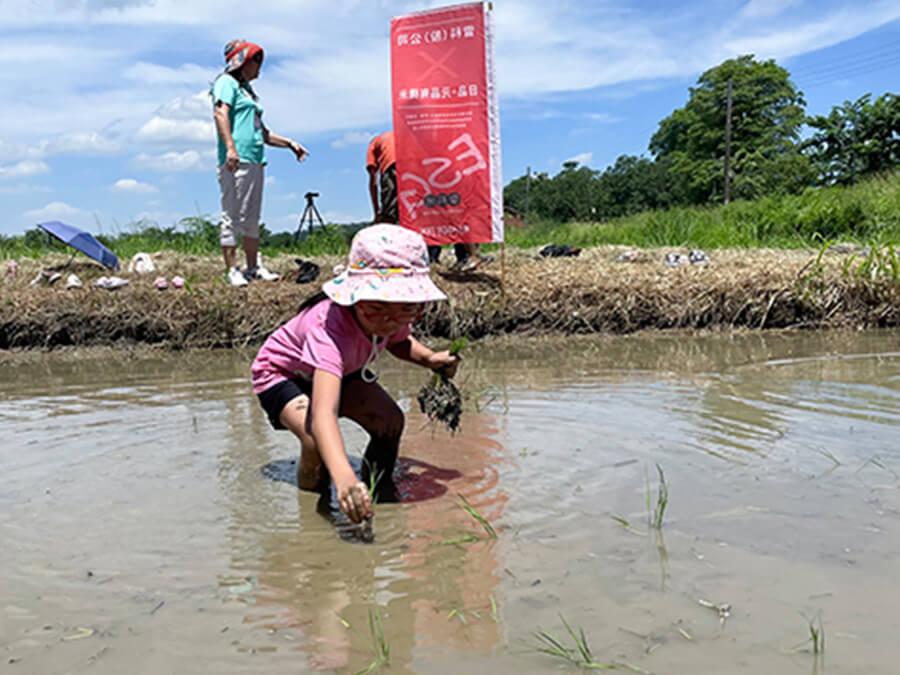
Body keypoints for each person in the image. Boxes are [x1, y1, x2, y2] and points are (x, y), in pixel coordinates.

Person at [251, 224, 459, 523]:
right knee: (314, 439)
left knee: (390, 420)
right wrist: (344, 478)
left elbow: (399, 342)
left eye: (405, 310)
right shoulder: (329, 329)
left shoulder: (393, 311)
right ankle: (315, 514)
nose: (390, 320)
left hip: (342, 372)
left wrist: (429, 358)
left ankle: (379, 493)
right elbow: (324, 414)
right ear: (354, 298)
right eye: (377, 308)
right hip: (283, 375)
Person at [212, 39, 309, 287]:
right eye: (256, 60)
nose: (259, 67)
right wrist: (231, 148)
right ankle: (231, 269)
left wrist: (289, 143)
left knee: (251, 216)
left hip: (255, 159)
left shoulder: (247, 92)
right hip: (236, 159)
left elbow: (263, 133)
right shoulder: (226, 83)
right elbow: (220, 113)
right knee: (232, 214)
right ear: (241, 60)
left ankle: (253, 267)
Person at [366, 131, 398, 224]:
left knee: (389, 215)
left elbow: (373, 182)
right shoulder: (397, 134)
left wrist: (377, 213)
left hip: (391, 166)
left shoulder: (374, 143)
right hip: (415, 164)